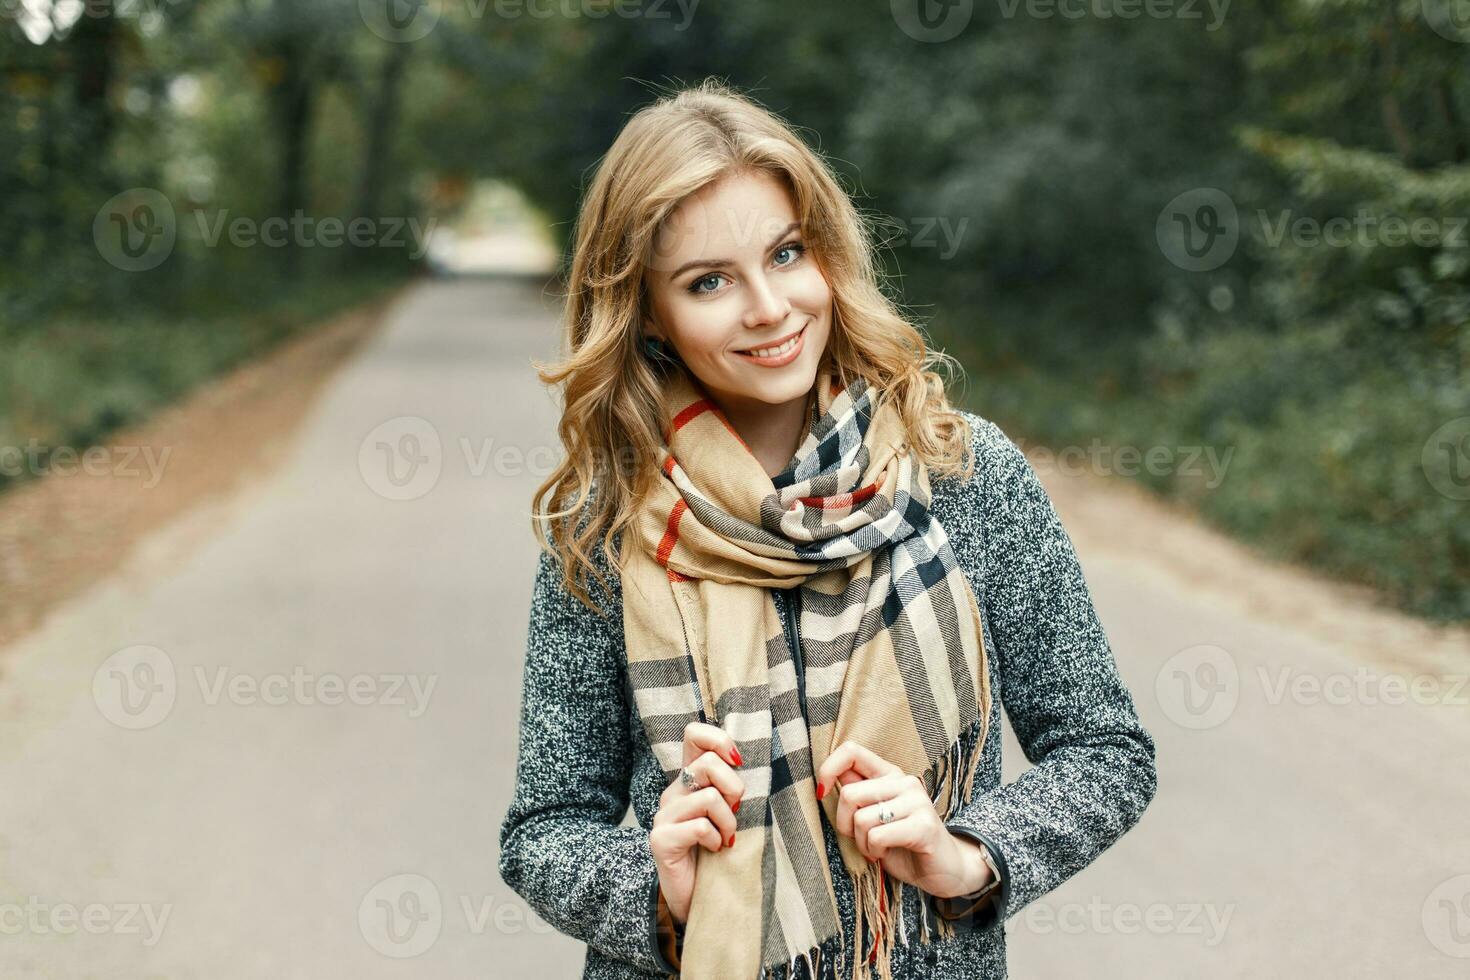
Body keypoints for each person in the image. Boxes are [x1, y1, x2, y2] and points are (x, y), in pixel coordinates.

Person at [498, 78, 1158, 980]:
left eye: (786, 252)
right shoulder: (605, 528)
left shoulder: (961, 475)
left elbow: (1105, 751)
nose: (768, 308)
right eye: (709, 281)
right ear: (648, 311)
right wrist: (656, 887)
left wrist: (966, 856)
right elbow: (543, 829)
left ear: (829, 254)